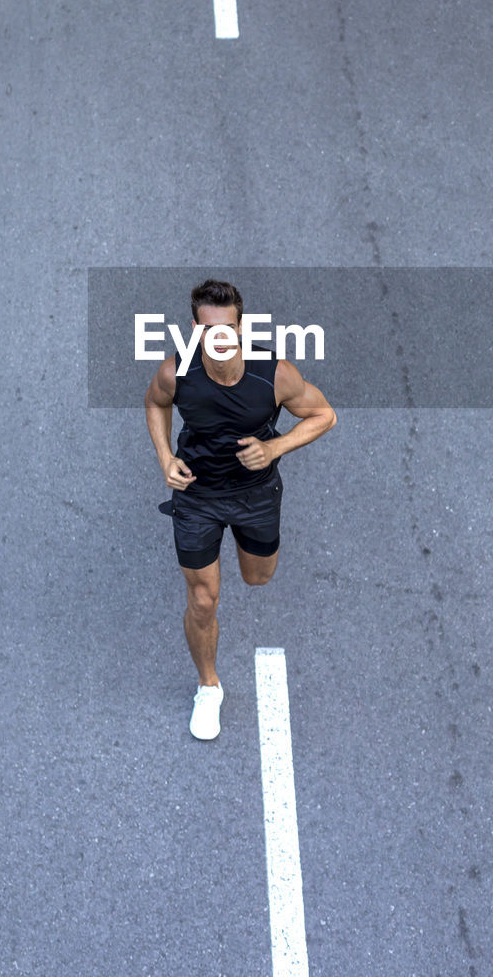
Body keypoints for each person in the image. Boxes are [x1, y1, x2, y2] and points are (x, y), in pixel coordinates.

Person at [144, 278, 337, 740]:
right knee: (203, 597)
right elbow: (155, 403)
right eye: (209, 330)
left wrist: (275, 449)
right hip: (197, 495)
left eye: (227, 328)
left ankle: (241, 548)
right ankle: (208, 687)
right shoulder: (176, 372)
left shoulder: (274, 375)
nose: (220, 338)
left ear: (241, 326)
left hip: (254, 493)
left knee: (257, 577)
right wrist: (165, 457)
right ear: (195, 330)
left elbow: (324, 414)